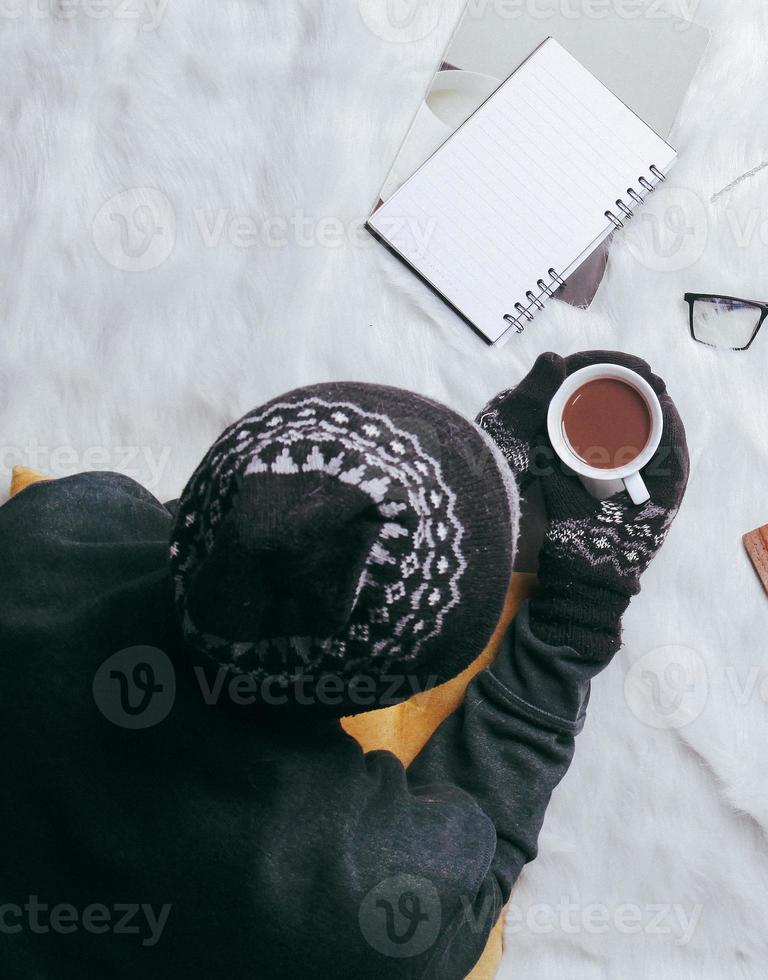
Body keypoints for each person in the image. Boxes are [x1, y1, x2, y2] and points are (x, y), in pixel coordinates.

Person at [0, 351, 687, 978]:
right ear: (383, 694)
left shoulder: (47, 531)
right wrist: (578, 618)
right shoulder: (348, 890)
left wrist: (471, 469)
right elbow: (471, 892)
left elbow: (220, 539)